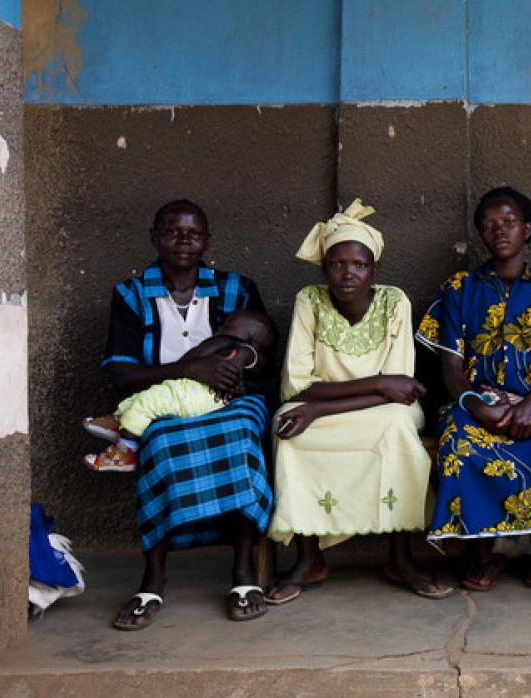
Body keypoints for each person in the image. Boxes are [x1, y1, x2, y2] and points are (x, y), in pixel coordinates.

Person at [266, 200, 453, 602]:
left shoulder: (394, 303)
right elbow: (299, 385)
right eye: (337, 263)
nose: (348, 272)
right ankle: (309, 558)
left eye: (360, 264)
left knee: (397, 426)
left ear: (375, 270)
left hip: (379, 412)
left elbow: (401, 391)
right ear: (324, 268)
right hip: (332, 406)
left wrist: (320, 407)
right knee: (289, 431)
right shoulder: (308, 301)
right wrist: (374, 386)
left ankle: (400, 557)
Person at [101, 199, 273, 628]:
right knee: (160, 440)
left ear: (207, 240)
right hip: (160, 400)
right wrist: (189, 369)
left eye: (193, 233)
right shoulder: (131, 293)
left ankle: (244, 571)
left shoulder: (237, 288)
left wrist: (240, 362)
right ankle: (153, 578)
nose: (183, 241)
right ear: (155, 237)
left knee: (241, 434)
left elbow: (267, 355)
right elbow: (121, 373)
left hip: (230, 399)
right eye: (173, 232)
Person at [416, 186, 531, 591]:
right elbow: (450, 366)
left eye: (509, 222)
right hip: (476, 401)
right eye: (489, 224)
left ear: (528, 230)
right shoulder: (459, 288)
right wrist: (475, 405)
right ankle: (481, 554)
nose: (499, 230)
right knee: (461, 446)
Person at [83, 310, 276, 472]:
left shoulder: (234, 346)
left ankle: (126, 452)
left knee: (151, 401)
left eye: (227, 326)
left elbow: (190, 360)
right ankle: (120, 421)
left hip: (200, 395)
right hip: (196, 392)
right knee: (145, 397)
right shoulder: (234, 350)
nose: (220, 329)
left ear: (251, 339)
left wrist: (243, 351)